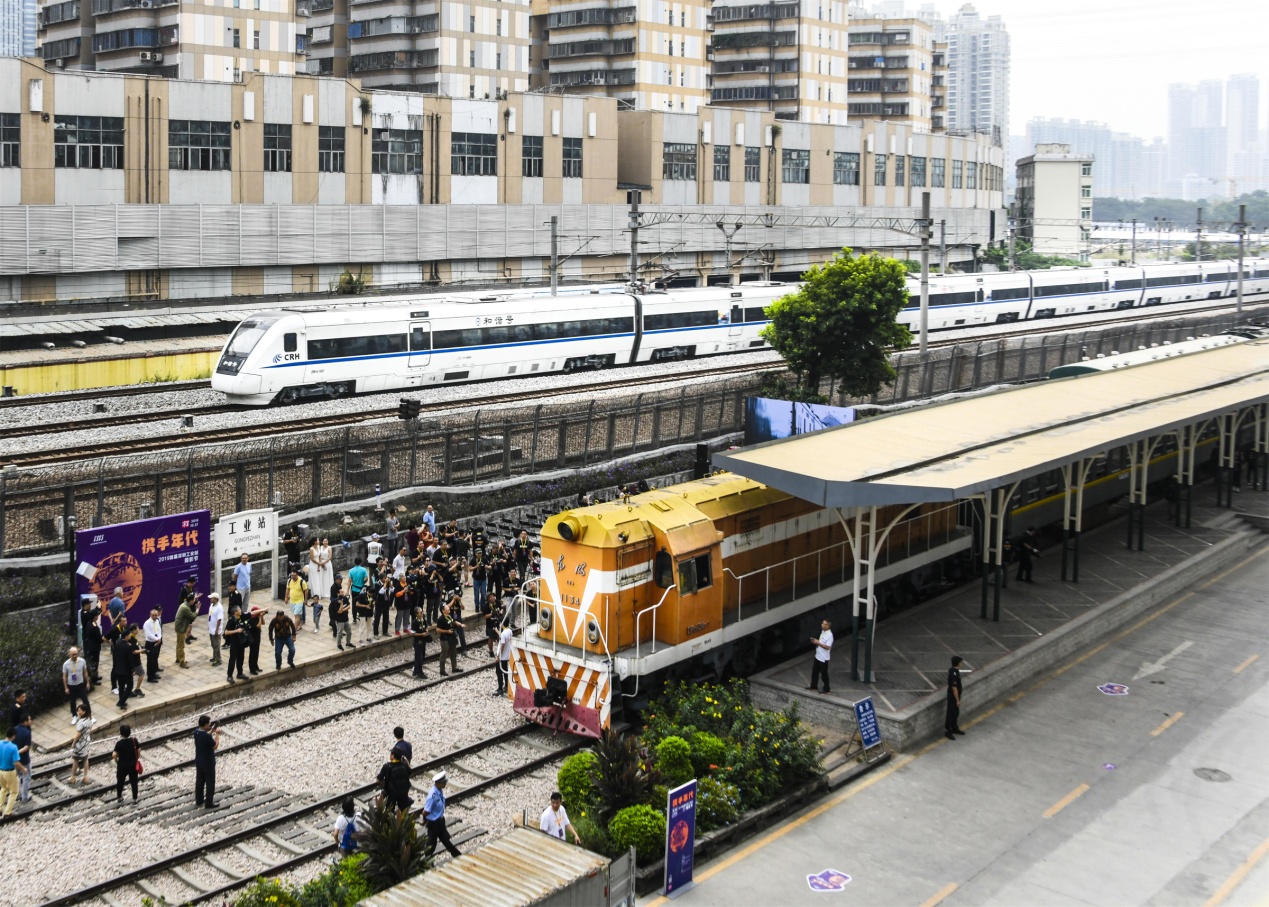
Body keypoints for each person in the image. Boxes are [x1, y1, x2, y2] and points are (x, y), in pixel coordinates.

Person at [423, 771, 461, 858]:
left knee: (445, 839)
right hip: (433, 823)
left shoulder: (439, 791)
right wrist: (424, 819)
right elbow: (426, 811)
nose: (445, 784)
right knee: (431, 844)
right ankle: (427, 860)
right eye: (444, 782)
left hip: (440, 820)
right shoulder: (432, 796)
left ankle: (456, 854)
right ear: (438, 783)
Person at [194, 714, 221, 808]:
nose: (209, 725)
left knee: (200, 781)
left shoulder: (196, 732)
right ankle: (209, 802)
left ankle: (199, 800)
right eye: (208, 724)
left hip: (199, 761)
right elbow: (215, 746)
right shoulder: (207, 737)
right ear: (205, 724)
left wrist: (211, 731)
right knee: (210, 782)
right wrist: (217, 735)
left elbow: (204, 737)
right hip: (208, 762)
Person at [376, 748, 413, 813]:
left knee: (389, 811)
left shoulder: (387, 766)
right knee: (403, 810)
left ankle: (390, 819)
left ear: (393, 756)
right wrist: (406, 761)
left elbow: (378, 780)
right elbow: (410, 772)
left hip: (391, 793)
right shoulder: (404, 764)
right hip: (403, 791)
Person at [68, 703, 95, 786]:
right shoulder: (89, 720)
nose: (78, 712)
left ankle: (73, 777)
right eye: (78, 710)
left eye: (80, 710)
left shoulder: (81, 722)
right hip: (86, 741)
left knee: (75, 759)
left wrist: (73, 743)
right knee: (85, 759)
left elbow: (78, 734)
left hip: (80, 742)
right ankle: (85, 777)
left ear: (84, 711)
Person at [112, 724, 140, 802]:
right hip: (133, 765)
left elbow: (114, 755)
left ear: (121, 733)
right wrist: (136, 759)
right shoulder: (134, 740)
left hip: (122, 765)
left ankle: (119, 797)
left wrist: (116, 761)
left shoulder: (119, 743)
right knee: (134, 782)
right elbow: (138, 751)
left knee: (120, 782)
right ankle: (135, 799)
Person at [63, 646, 92, 717]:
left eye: (76, 654)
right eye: (73, 654)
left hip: (80, 684)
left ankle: (89, 715)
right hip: (71, 685)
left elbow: (85, 672)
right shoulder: (66, 664)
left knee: (85, 700)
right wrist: (66, 687)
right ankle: (74, 715)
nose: (75, 656)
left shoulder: (82, 661)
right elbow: (64, 676)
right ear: (69, 654)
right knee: (72, 701)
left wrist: (87, 682)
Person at [224, 605, 250, 684]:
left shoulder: (241, 617)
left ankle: (240, 673)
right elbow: (226, 632)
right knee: (232, 659)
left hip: (241, 641)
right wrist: (237, 631)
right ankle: (229, 675)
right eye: (239, 610)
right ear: (235, 612)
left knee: (241, 657)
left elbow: (251, 613)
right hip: (234, 642)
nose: (240, 610)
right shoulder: (231, 620)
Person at [806, 619, 833, 695]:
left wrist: (818, 642)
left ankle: (827, 689)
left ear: (828, 626)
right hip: (818, 656)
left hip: (823, 658)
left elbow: (827, 647)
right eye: (822, 623)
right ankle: (813, 686)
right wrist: (816, 641)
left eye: (824, 624)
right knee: (814, 672)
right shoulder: (823, 632)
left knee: (824, 674)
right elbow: (821, 642)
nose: (822, 625)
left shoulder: (829, 635)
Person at [81, 598, 103, 683]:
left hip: (91, 641)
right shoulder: (85, 614)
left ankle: (95, 675)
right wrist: (98, 608)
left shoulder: (87, 613)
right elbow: (93, 614)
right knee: (91, 659)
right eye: (89, 604)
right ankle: (92, 677)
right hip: (89, 641)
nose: (90, 606)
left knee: (95, 660)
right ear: (85, 605)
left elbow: (93, 613)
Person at [435, 603, 461, 676]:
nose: (448, 608)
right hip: (445, 639)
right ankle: (442, 670)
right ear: (443, 610)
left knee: (453, 653)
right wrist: (447, 631)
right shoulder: (441, 619)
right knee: (444, 654)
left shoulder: (449, 616)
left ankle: (454, 667)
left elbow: (453, 622)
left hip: (452, 637)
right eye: (447, 608)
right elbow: (437, 629)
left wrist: (460, 624)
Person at [111, 628, 133, 709]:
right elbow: (130, 660)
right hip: (126, 670)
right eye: (129, 635)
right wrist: (132, 669)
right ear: (126, 636)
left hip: (118, 668)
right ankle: (121, 702)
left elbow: (115, 654)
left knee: (121, 686)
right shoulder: (128, 646)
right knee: (130, 686)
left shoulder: (117, 643)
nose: (130, 636)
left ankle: (122, 702)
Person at [310, 537, 334, 610]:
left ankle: (327, 591)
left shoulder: (329, 548)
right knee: (321, 578)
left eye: (326, 541)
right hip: (320, 564)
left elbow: (330, 557)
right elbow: (318, 556)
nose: (325, 542)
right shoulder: (319, 547)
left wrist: (323, 563)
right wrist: (321, 564)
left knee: (327, 578)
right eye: (324, 541)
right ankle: (320, 592)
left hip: (326, 563)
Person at [0, 727, 19, 817]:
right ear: (13, 736)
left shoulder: (0, 743)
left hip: (1, 771)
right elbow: (16, 762)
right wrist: (23, 769)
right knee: (13, 792)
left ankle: (0, 808)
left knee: (3, 789)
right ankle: (8, 812)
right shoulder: (13, 747)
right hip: (10, 771)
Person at [945, 655, 965, 740]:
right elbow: (954, 688)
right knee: (951, 713)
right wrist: (957, 700)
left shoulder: (954, 671)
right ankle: (948, 730)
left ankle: (954, 727)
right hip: (953, 697)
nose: (961, 664)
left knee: (955, 713)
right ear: (958, 663)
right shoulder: (953, 673)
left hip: (955, 696)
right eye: (960, 662)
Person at [174, 594, 196, 669]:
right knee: (181, 646)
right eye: (193, 600)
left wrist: (195, 598)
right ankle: (182, 662)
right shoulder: (185, 608)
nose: (194, 601)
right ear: (191, 600)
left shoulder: (184, 604)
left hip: (179, 627)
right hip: (181, 628)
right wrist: (198, 609)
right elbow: (193, 616)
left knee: (178, 644)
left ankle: (178, 658)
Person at [13, 714, 32, 803]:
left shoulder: (14, 729)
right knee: (26, 777)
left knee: (17, 776)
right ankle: (24, 797)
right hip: (24, 759)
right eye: (29, 720)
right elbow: (27, 747)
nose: (31, 721)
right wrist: (18, 752)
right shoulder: (27, 732)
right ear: (25, 722)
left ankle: (17, 794)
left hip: (14, 759)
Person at [142, 608, 163, 684]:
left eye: (156, 615)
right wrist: (156, 639)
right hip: (150, 643)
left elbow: (159, 630)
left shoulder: (157, 621)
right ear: (150, 615)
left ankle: (154, 673)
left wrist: (159, 638)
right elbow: (148, 634)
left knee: (154, 659)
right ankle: (150, 677)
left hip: (156, 642)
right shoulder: (147, 623)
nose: (154, 617)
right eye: (153, 615)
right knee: (150, 661)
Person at [177, 577, 200, 643]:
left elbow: (192, 598)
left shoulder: (191, 589)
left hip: (191, 607)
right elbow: (181, 600)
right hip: (187, 608)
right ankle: (186, 637)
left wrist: (195, 600)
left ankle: (189, 635)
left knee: (190, 623)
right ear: (189, 582)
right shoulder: (184, 590)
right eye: (192, 583)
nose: (193, 585)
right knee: (188, 624)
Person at [410, 606, 430, 679]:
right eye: (420, 612)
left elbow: (426, 626)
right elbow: (413, 634)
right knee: (419, 657)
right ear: (417, 614)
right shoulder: (415, 622)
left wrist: (426, 630)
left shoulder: (423, 619)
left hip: (423, 640)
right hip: (418, 641)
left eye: (422, 612)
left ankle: (415, 670)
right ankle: (419, 672)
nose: (422, 613)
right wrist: (421, 634)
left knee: (422, 656)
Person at [495, 619, 513, 698]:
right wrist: (497, 631)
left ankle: (500, 688)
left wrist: (498, 656)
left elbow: (502, 645)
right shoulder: (510, 631)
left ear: (502, 624)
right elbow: (503, 638)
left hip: (501, 657)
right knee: (505, 671)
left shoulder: (503, 634)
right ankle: (506, 686)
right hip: (506, 656)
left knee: (499, 672)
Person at [207, 593, 225, 667]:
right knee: (213, 644)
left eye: (212, 598)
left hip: (215, 629)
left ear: (215, 599)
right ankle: (214, 657)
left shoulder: (219, 608)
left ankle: (218, 659)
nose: (210, 599)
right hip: (211, 628)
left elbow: (219, 619)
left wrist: (217, 630)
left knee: (216, 645)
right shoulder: (212, 605)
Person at [246, 605, 264, 674]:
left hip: (257, 637)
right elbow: (258, 626)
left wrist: (261, 617)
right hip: (253, 639)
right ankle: (252, 668)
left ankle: (256, 666)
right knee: (252, 653)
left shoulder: (257, 617)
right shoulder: (251, 619)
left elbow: (263, 623)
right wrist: (260, 617)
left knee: (256, 653)